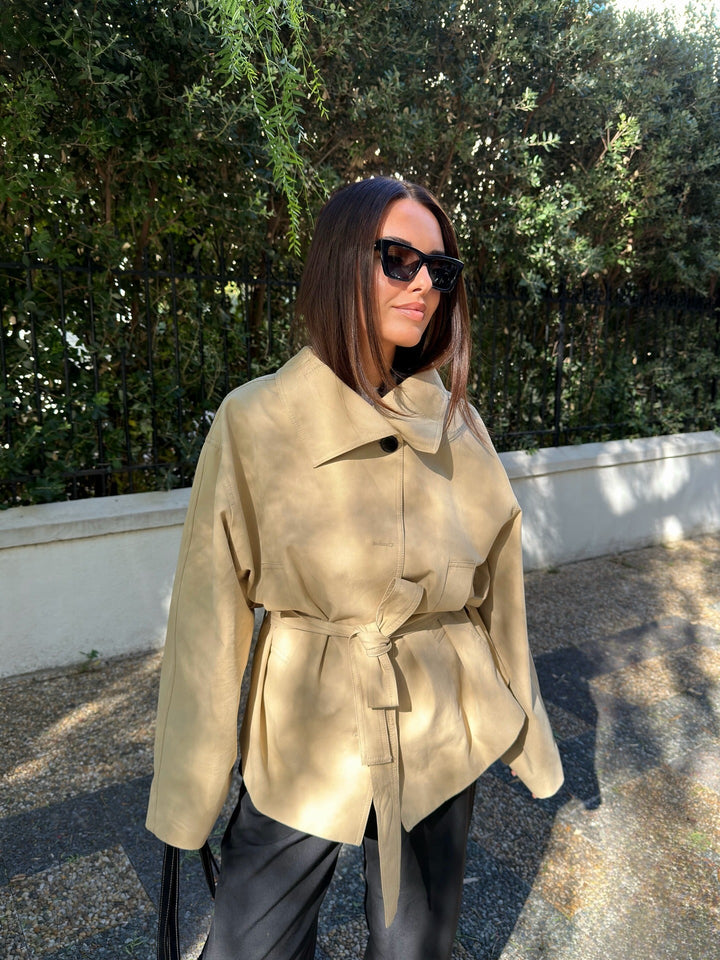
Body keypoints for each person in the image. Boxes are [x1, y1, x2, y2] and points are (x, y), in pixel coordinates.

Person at [146, 177, 564, 960]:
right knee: (252, 943)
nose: (423, 285)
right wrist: (189, 795)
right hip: (308, 719)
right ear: (342, 262)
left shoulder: (456, 421)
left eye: (440, 270)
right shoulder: (257, 419)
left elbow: (499, 591)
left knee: (416, 950)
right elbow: (208, 619)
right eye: (398, 258)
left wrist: (529, 734)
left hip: (444, 716)